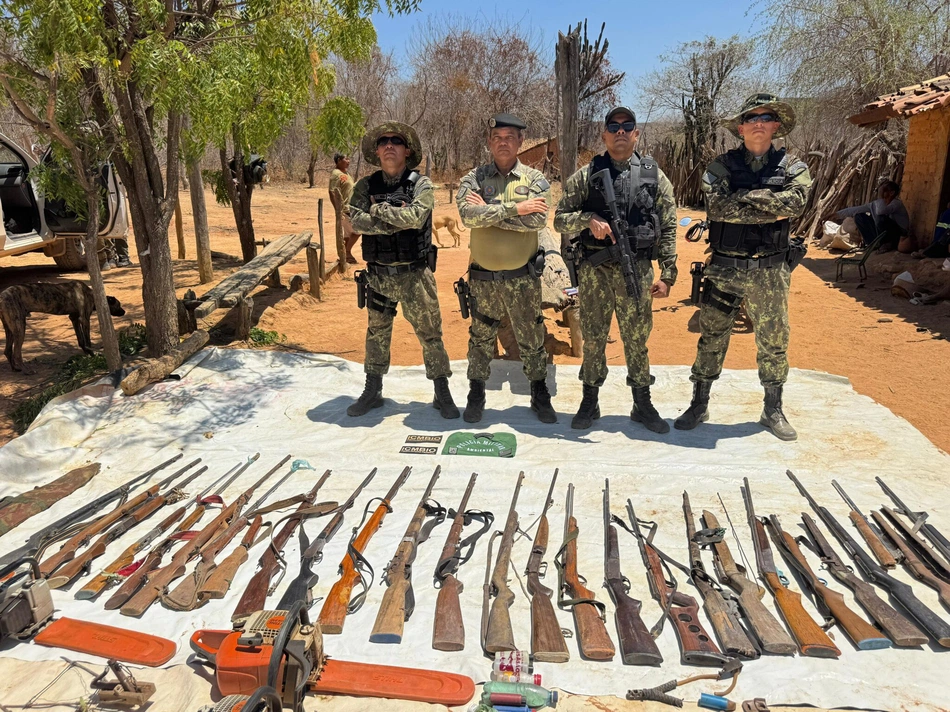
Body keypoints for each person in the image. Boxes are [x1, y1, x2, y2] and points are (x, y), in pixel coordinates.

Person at [675, 93, 812, 441]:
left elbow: (795, 204)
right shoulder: (720, 166)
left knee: (774, 340)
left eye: (766, 118)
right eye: (752, 118)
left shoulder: (794, 167)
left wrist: (745, 198)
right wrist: (768, 203)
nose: (759, 123)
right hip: (725, 269)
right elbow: (718, 209)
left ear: (776, 126)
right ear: (740, 127)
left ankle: (772, 409)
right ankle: (699, 403)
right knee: (712, 336)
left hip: (770, 270)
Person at [554, 106, 678, 432]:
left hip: (636, 269)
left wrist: (668, 273)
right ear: (604, 134)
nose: (620, 131)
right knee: (593, 337)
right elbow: (559, 218)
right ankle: (590, 400)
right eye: (614, 126)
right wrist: (587, 219)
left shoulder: (653, 175)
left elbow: (667, 224)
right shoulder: (586, 175)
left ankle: (642, 402)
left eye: (627, 126)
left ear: (636, 133)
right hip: (595, 272)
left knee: (637, 338)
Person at [346, 122, 458, 419]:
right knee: (376, 334)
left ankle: (441, 390)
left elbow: (415, 217)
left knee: (430, 334)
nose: (389, 145)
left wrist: (377, 211)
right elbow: (351, 221)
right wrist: (388, 218)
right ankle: (373, 389)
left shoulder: (420, 185)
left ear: (407, 150)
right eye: (383, 141)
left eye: (396, 141)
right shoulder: (364, 187)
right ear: (377, 150)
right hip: (379, 276)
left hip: (415, 276)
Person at [455, 113, 555, 424]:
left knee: (531, 336)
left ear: (520, 142)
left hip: (522, 278)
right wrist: (515, 209)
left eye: (510, 137)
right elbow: (467, 216)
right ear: (489, 141)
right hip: (483, 279)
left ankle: (540, 394)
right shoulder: (474, 178)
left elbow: (537, 220)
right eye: (497, 137)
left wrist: (490, 212)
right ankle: (476, 392)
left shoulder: (535, 180)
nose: (503, 142)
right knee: (480, 337)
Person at [836, 181, 911, 252]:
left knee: (880, 217)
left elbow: (881, 211)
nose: (880, 193)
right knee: (858, 216)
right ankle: (872, 243)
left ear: (892, 193)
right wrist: (837, 214)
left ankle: (887, 244)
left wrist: (880, 197)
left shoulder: (896, 203)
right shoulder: (876, 204)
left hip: (898, 235)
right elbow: (856, 209)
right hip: (883, 233)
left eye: (883, 191)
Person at [328, 153, 360, 265]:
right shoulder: (336, 174)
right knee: (358, 230)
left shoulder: (345, 173)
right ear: (338, 160)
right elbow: (332, 191)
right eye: (346, 158)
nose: (348, 161)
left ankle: (345, 255)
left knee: (348, 234)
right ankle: (347, 252)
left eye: (348, 158)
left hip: (351, 207)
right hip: (345, 209)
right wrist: (337, 209)